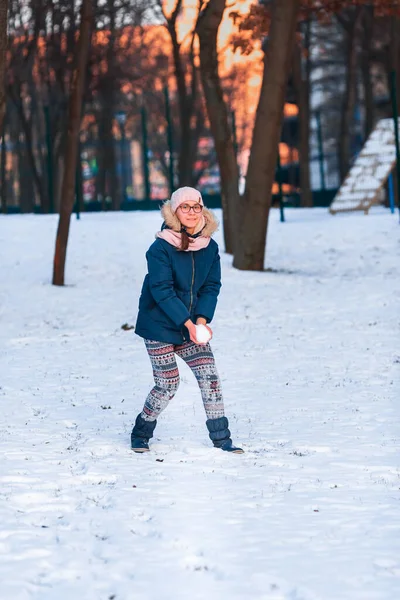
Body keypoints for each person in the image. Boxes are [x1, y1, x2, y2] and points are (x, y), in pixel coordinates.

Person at [131, 186, 243, 454]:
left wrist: (201, 321)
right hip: (159, 325)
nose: (191, 212)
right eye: (185, 207)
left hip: (191, 326)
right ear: (174, 212)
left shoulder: (209, 246)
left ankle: (222, 439)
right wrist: (189, 324)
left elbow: (211, 286)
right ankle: (141, 431)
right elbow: (162, 290)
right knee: (167, 383)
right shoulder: (160, 247)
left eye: (196, 206)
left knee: (209, 376)